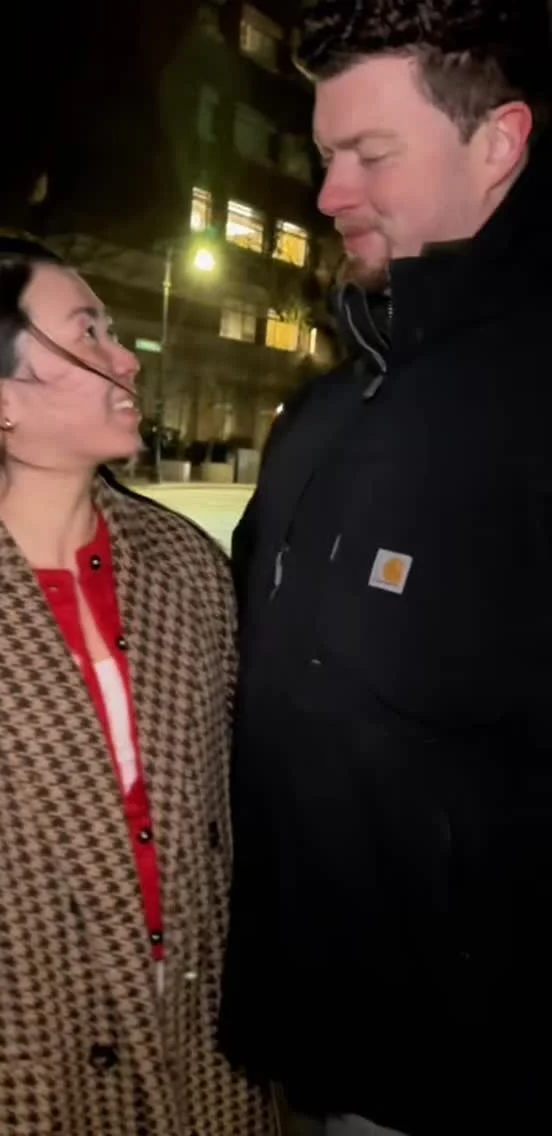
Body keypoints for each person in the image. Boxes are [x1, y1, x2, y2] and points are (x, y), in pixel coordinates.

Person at [219, 1, 552, 1133]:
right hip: (319, 1038)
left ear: (498, 142)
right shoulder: (327, 404)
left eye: (370, 154)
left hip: (480, 1068)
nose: (329, 194)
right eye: (325, 157)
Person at [0, 237, 274, 1136]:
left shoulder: (184, 566)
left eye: (112, 330)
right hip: (18, 1077)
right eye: (89, 333)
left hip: (204, 1060)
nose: (127, 358)